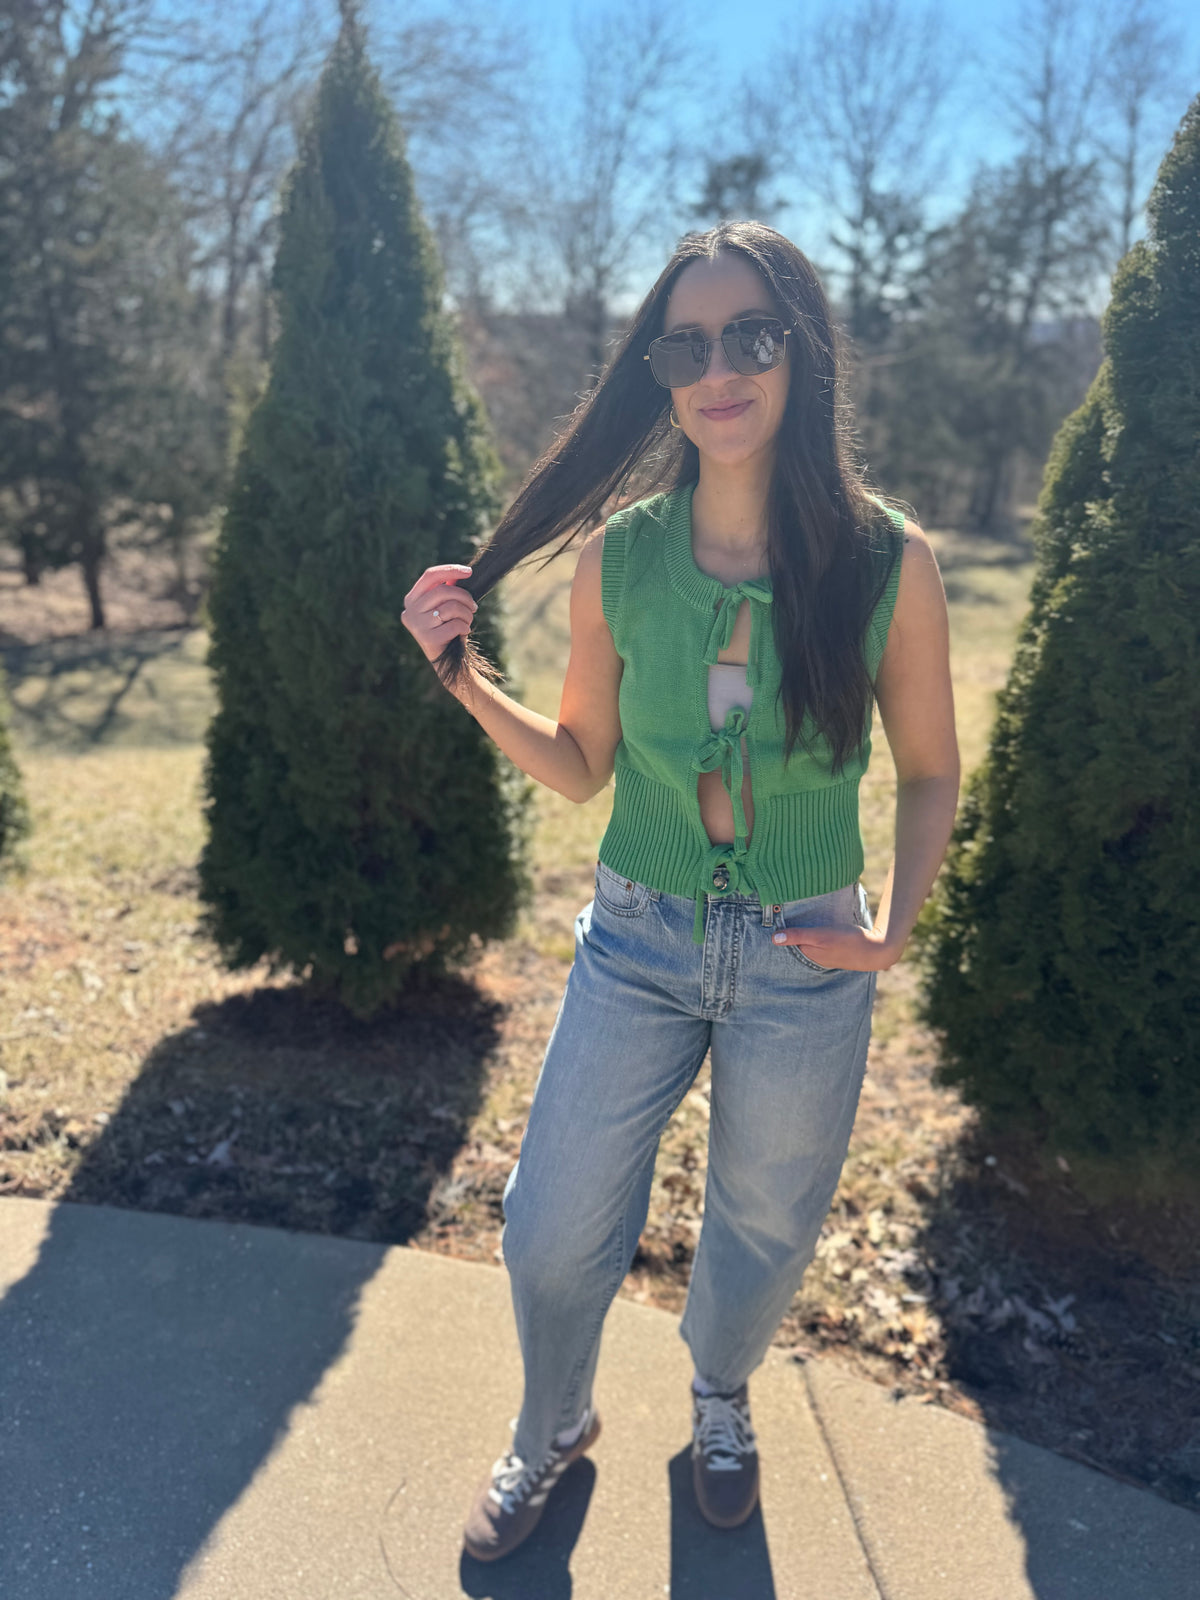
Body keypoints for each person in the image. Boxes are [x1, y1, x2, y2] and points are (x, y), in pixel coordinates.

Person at [402, 220, 959, 1562]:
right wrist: (464, 680)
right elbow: (586, 763)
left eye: (751, 336)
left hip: (803, 958)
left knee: (763, 1232)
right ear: (658, 371)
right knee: (546, 1229)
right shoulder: (622, 560)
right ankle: (553, 1422)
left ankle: (718, 1394)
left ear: (800, 353)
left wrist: (893, 931)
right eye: (686, 344)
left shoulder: (889, 563)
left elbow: (932, 773)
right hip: (638, 943)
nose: (720, 369)